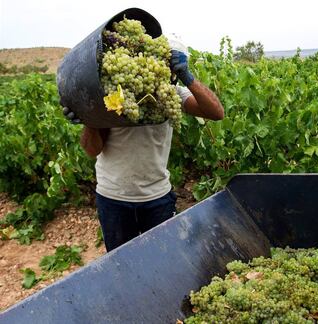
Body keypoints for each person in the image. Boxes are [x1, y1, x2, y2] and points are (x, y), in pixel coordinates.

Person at [63, 48, 224, 252]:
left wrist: (188, 78)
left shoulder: (172, 94)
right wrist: (90, 119)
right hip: (114, 198)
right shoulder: (115, 96)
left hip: (157, 197)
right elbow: (92, 150)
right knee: (121, 264)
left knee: (161, 260)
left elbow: (217, 113)